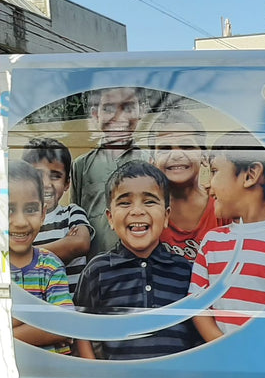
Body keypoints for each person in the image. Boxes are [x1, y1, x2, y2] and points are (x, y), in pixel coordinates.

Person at [74, 160, 199, 360]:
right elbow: (81, 330)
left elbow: (197, 335)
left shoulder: (185, 271)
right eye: (125, 202)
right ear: (110, 218)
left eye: (149, 201)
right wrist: (97, 376)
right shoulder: (98, 270)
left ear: (166, 215)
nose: (137, 211)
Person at [189, 134, 265, 341]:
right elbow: (198, 305)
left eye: (214, 171)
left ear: (250, 175)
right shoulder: (212, 242)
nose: (208, 185)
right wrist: (227, 347)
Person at [71, 86, 147, 259]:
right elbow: (77, 222)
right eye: (108, 108)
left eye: (128, 108)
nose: (118, 117)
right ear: (95, 114)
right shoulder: (81, 165)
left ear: (141, 111)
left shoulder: (150, 161)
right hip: (95, 267)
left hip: (139, 266)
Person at [7, 160, 73, 355]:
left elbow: (64, 323)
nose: (20, 222)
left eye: (30, 210)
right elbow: (55, 326)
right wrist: (43, 323)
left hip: (51, 376)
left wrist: (8, 336)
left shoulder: (50, 265)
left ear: (43, 213)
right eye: (9, 209)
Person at [148, 109, 229, 261]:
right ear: (152, 161)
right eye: (165, 149)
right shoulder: (146, 212)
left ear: (204, 155)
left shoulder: (224, 207)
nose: (176, 154)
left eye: (187, 146)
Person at [23, 137, 93, 295]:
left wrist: (25, 254)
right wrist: (63, 247)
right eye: (38, 175)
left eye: (55, 176)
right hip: (32, 308)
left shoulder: (71, 213)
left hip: (69, 307)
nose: (46, 183)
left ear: (67, 183)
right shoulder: (17, 220)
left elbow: (79, 243)